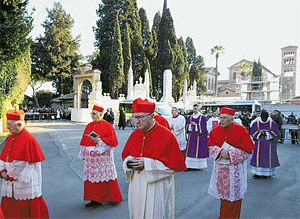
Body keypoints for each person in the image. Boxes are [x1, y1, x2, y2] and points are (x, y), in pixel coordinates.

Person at [122, 98, 186, 219]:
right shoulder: (135, 134)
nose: (137, 121)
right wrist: (129, 162)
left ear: (152, 116)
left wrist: (146, 163)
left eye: (140, 117)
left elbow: (173, 166)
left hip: (157, 185)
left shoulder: (166, 135)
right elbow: (126, 156)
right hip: (137, 183)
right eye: (135, 117)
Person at [0, 110, 49, 218]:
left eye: (9, 124)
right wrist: (2, 170)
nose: (7, 127)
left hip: (23, 183)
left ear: (19, 124)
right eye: (6, 123)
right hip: (9, 181)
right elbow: (3, 157)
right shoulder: (11, 137)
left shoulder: (28, 139)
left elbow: (23, 164)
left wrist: (8, 175)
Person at [207, 106, 255, 219]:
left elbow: (247, 150)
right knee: (224, 198)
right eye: (220, 117)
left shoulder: (241, 130)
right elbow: (211, 146)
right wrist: (220, 151)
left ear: (231, 119)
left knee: (235, 198)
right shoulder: (215, 131)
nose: (221, 120)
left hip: (235, 170)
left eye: (224, 118)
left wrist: (229, 154)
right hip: (221, 170)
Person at [79, 105, 122, 207]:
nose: (92, 116)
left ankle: (112, 197)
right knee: (92, 179)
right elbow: (84, 142)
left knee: (106, 177)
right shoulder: (89, 126)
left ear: (100, 115)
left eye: (94, 114)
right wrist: (84, 152)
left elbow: (112, 142)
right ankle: (95, 199)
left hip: (103, 159)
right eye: (91, 113)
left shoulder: (107, 126)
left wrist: (99, 141)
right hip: (91, 160)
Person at [250, 110, 280, 178]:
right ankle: (257, 173)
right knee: (258, 157)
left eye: (265, 117)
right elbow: (252, 132)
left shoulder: (272, 123)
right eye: (262, 117)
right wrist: (260, 133)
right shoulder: (256, 123)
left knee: (268, 157)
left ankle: (267, 173)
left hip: (269, 144)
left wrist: (266, 133)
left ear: (267, 116)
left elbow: (276, 132)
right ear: (260, 116)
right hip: (259, 143)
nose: (264, 119)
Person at [185, 104, 209, 170]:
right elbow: (186, 126)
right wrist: (190, 125)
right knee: (190, 150)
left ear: (198, 109)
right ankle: (189, 165)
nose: (194, 110)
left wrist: (196, 125)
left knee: (198, 151)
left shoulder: (202, 117)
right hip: (191, 136)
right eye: (194, 108)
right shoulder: (189, 117)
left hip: (199, 137)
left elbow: (203, 128)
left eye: (196, 108)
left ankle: (198, 166)